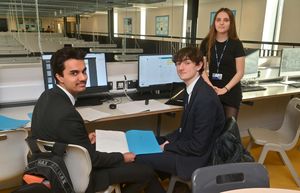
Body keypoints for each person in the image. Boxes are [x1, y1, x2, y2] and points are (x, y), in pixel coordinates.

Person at [30, 47, 165, 193]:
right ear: (59, 77)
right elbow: (93, 160)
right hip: (80, 176)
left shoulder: (47, 96)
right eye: (74, 73)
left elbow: (58, 135)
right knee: (146, 172)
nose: (83, 78)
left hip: (61, 164)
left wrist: (82, 140)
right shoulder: (67, 114)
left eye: (84, 71)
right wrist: (122, 157)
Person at [136, 47, 225, 183]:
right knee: (147, 141)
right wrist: (166, 140)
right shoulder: (192, 89)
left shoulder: (205, 98)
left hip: (194, 160)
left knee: (136, 157)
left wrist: (167, 146)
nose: (181, 68)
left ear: (199, 65)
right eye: (178, 63)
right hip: (187, 146)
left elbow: (198, 147)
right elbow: (184, 129)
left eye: (187, 63)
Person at [200, 7, 245, 119]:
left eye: (226, 20)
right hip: (212, 90)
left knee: (228, 131)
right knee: (212, 128)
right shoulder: (206, 43)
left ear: (231, 23)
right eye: (218, 20)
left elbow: (240, 72)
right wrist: (211, 87)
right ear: (214, 22)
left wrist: (225, 89)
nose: (221, 23)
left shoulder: (236, 44)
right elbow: (202, 69)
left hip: (231, 92)